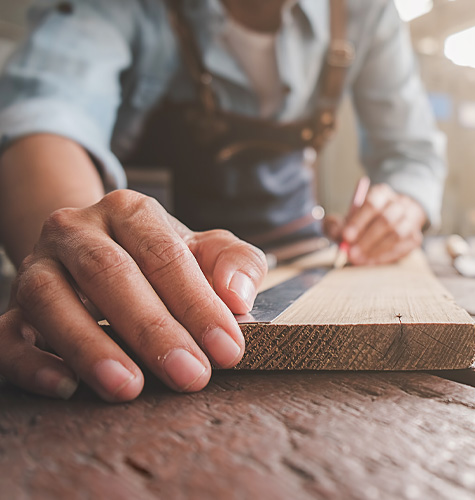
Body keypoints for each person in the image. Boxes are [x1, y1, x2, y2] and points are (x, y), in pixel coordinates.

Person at [0, 0, 445, 402]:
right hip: (163, 264)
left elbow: (411, 154)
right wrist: (90, 253)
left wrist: (405, 205)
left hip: (301, 251)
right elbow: (47, 113)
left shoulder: (366, 10)